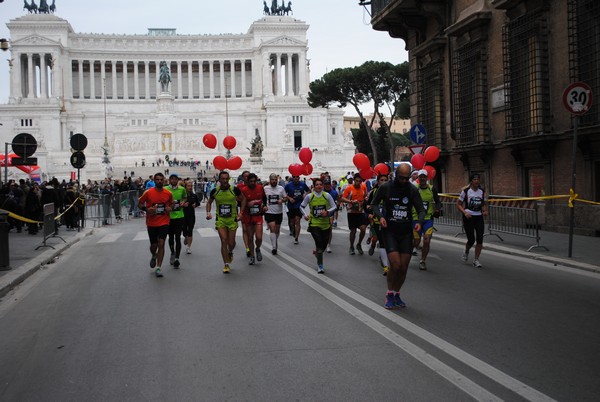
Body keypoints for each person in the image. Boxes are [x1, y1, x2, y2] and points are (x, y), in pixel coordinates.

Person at [371, 164, 425, 309]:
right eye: (401, 178)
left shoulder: (412, 189)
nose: (404, 181)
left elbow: (421, 209)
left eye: (407, 178)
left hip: (406, 231)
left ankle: (396, 293)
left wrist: (419, 222)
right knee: (395, 264)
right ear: (396, 175)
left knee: (404, 267)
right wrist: (380, 216)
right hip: (390, 231)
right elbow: (374, 204)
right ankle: (389, 293)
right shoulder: (386, 187)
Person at [206, 171, 244, 274]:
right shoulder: (215, 191)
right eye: (223, 179)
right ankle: (226, 264)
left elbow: (243, 199)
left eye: (227, 179)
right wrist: (208, 213)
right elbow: (209, 202)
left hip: (232, 219)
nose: (225, 181)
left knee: (231, 243)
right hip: (221, 219)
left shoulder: (234, 190)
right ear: (219, 180)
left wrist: (241, 213)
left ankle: (230, 251)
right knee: (223, 240)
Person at [138, 173, 173, 278]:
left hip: (164, 221)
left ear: (164, 180)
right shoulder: (148, 193)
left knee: (161, 243)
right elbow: (139, 204)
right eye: (157, 179)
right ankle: (154, 255)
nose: (159, 181)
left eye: (161, 179)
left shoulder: (168, 193)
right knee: (154, 245)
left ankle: (159, 267)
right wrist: (146, 209)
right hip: (152, 222)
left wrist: (170, 208)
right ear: (154, 181)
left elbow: (172, 204)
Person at [300, 178, 338, 273]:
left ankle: (318, 253)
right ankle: (320, 266)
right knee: (319, 244)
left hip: (325, 224)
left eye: (321, 184)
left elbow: (334, 206)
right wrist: (305, 215)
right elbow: (301, 206)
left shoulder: (327, 195)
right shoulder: (310, 196)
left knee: (323, 245)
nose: (319, 186)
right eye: (317, 184)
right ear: (314, 186)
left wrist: (327, 212)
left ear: (323, 186)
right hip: (314, 224)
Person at [456, 173, 488, 268]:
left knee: (480, 239)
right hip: (468, 217)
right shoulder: (465, 191)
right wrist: (465, 212)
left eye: (478, 179)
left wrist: (485, 210)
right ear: (471, 181)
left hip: (478, 216)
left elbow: (483, 203)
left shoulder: (482, 191)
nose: (477, 181)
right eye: (474, 179)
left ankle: (476, 259)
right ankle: (466, 251)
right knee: (471, 240)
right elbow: (458, 204)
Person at [412, 170, 441, 271]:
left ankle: (422, 261)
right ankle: (408, 249)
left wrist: (437, 209)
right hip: (415, 218)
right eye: (421, 177)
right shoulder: (414, 189)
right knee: (416, 241)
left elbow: (438, 201)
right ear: (418, 178)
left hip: (428, 218)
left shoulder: (431, 189)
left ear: (427, 178)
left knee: (427, 240)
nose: (422, 179)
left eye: (424, 177)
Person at [366, 173, 391, 275]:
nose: (383, 182)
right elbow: (367, 205)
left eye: (386, 180)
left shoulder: (392, 192)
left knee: (389, 242)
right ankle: (386, 266)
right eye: (381, 180)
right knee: (381, 241)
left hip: (390, 220)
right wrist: (370, 214)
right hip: (377, 220)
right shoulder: (373, 192)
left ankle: (384, 257)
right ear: (378, 181)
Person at [239, 173, 267, 265]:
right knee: (250, 237)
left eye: (254, 181)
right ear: (247, 181)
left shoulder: (260, 188)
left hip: (258, 215)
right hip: (248, 216)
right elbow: (241, 203)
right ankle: (252, 256)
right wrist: (246, 206)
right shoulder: (244, 190)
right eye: (251, 181)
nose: (252, 183)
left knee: (259, 237)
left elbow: (264, 197)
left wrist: (265, 206)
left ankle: (258, 248)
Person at [341, 173, 369, 255]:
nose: (358, 183)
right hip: (351, 212)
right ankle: (351, 246)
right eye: (356, 181)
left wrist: (365, 202)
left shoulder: (363, 187)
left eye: (360, 181)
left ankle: (359, 244)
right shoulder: (349, 188)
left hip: (360, 212)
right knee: (353, 231)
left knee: (363, 229)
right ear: (354, 180)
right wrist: (350, 201)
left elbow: (365, 197)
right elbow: (342, 198)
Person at [166, 173, 187, 268]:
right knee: (170, 237)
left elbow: (185, 197)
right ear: (169, 180)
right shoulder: (165, 189)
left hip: (179, 216)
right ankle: (172, 252)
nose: (174, 181)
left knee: (178, 237)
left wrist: (183, 202)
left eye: (176, 179)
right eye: (172, 179)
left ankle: (177, 258)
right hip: (169, 217)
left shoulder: (182, 189)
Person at [263, 173, 287, 255]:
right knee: (272, 228)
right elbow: (262, 198)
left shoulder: (281, 188)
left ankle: (275, 241)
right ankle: (274, 247)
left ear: (277, 180)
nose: (274, 181)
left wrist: (282, 200)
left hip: (278, 212)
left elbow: (285, 197)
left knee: (277, 230)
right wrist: (263, 206)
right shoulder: (265, 188)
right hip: (269, 212)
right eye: (272, 179)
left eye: (275, 180)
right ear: (270, 180)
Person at [284, 175, 310, 244]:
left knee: (297, 221)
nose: (296, 178)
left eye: (297, 177)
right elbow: (283, 194)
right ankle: (293, 229)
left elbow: (308, 191)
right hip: (291, 205)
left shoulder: (302, 184)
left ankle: (296, 238)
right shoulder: (288, 185)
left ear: (299, 178)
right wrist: (289, 198)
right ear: (292, 178)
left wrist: (305, 194)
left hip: (299, 205)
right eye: (294, 177)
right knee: (292, 222)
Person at [182, 180, 200, 254]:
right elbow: (178, 204)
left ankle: (188, 247)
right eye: (188, 186)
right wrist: (183, 205)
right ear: (185, 187)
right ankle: (185, 236)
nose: (190, 187)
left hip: (191, 216)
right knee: (184, 230)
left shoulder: (194, 195)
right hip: (183, 216)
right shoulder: (182, 195)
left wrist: (195, 205)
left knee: (190, 230)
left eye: (191, 186)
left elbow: (198, 203)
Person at [237, 170, 251, 257]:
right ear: (243, 177)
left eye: (248, 176)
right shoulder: (239, 186)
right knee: (245, 229)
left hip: (253, 210)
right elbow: (236, 197)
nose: (247, 178)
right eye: (245, 176)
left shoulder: (254, 185)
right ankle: (247, 248)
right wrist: (242, 201)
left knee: (252, 230)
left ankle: (252, 244)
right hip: (243, 210)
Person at [322, 179, 339, 253]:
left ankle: (328, 244)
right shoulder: (320, 192)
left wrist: (337, 204)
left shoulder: (334, 192)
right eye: (326, 184)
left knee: (329, 229)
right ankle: (323, 242)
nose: (327, 185)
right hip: (321, 213)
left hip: (330, 213)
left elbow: (338, 199)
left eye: (328, 184)